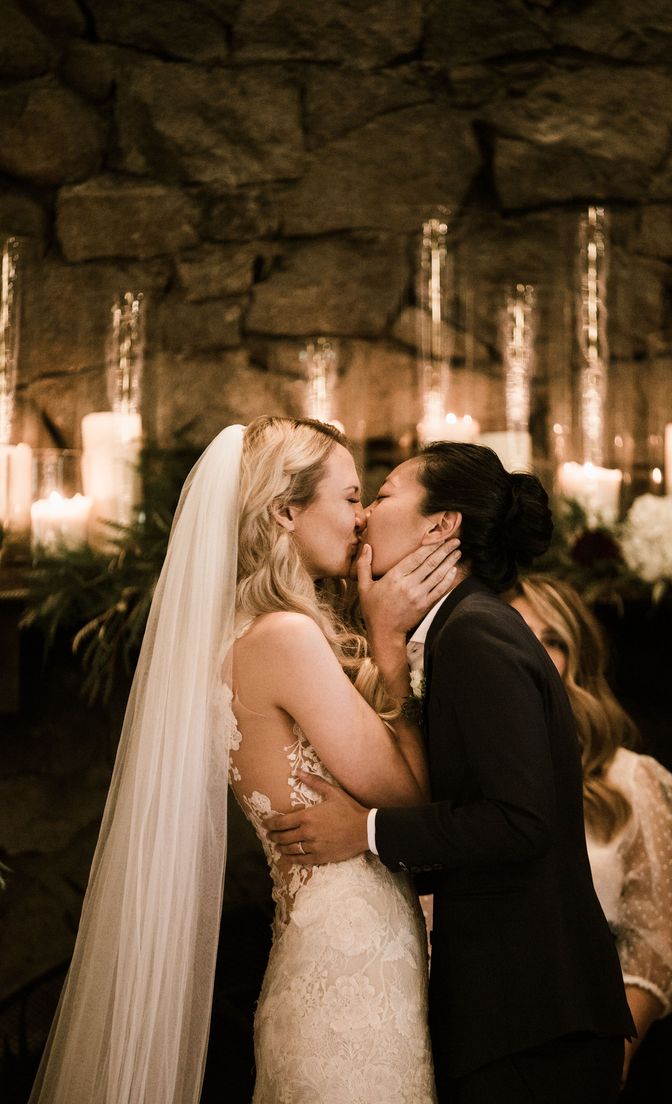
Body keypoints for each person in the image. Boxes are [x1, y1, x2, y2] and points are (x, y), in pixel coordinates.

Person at [29, 416, 460, 1104]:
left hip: (338, 957)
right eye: (350, 498)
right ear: (286, 510)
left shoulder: (244, 632)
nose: (362, 520)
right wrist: (388, 641)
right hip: (348, 976)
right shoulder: (283, 637)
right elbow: (411, 800)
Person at [268, 442, 636, 1104]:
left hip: (530, 1023)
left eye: (381, 496)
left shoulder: (475, 636)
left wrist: (367, 831)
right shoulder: (463, 629)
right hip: (520, 1017)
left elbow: (520, 822)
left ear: (443, 526)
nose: (365, 515)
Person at [509, 574, 672, 1086]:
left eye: (551, 640)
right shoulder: (449, 769)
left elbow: (658, 946)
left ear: (577, 661)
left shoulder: (633, 782)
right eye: (515, 634)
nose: (532, 654)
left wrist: (609, 1060)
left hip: (578, 1042)